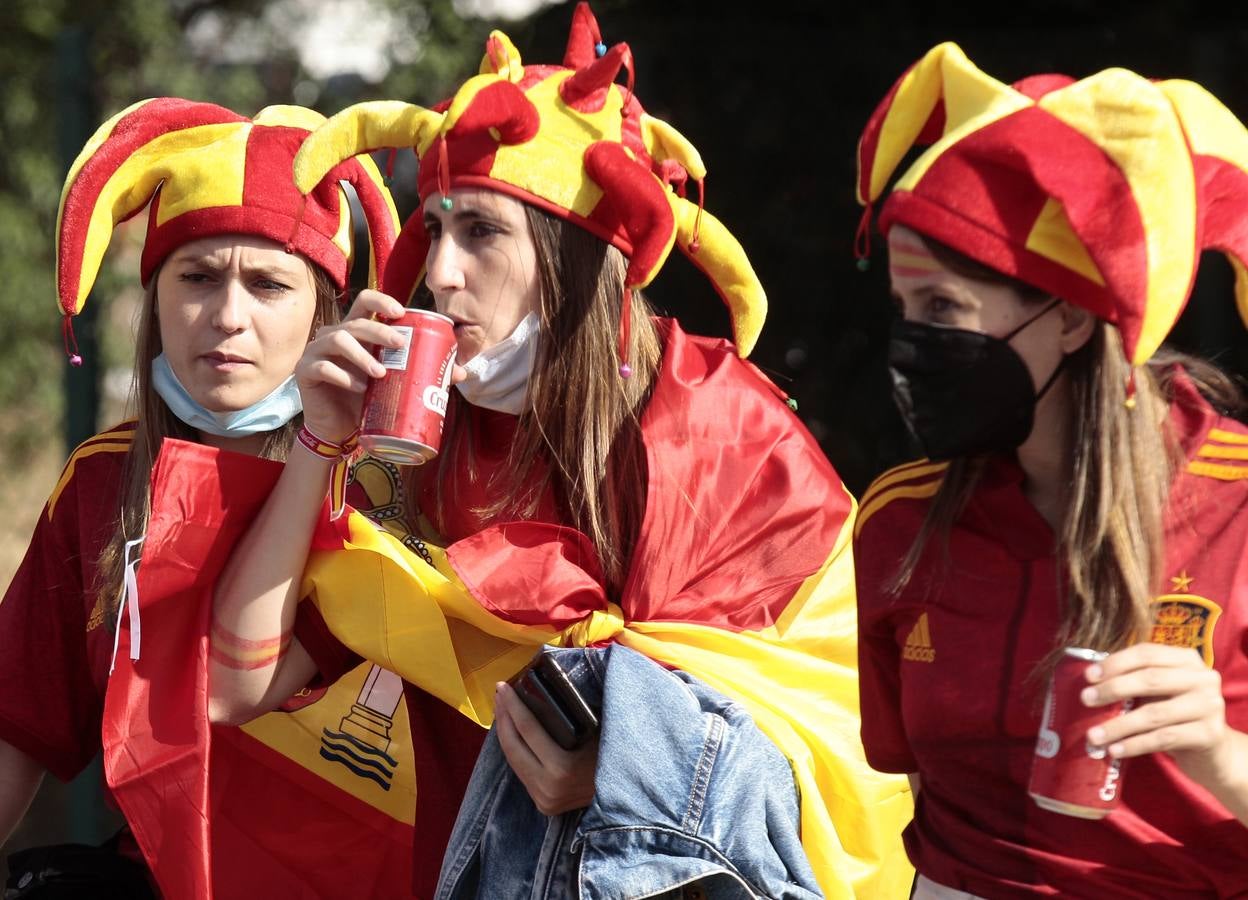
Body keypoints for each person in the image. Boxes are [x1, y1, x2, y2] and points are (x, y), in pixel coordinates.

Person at [209, 4, 913, 897]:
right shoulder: (413, 434)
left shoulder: (720, 428)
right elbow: (235, 686)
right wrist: (316, 440)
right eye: (436, 228)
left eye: (483, 233)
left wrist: (629, 772)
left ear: (576, 258)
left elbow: (825, 724)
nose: (441, 272)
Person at [853, 43, 1248, 896]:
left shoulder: (1240, 509)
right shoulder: (898, 522)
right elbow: (912, 786)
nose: (912, 345)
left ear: (1071, 318)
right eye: (903, 311)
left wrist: (1219, 752)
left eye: (944, 310)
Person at [0, 98, 402, 897]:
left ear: (326, 307)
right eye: (198, 277)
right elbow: (18, 726)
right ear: (155, 296)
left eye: (267, 284)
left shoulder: (393, 479)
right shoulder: (101, 483)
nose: (227, 318)